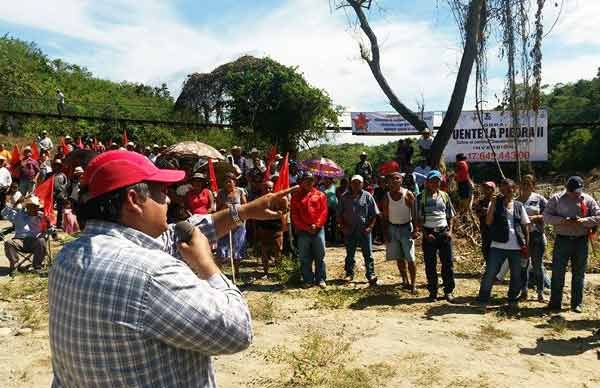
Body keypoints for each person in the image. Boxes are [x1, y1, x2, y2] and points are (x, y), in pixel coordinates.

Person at [48, 149, 294, 387]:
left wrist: (246, 211)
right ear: (134, 200)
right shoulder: (153, 273)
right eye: (161, 191)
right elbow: (237, 331)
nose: (167, 198)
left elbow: (184, 231)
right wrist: (207, 265)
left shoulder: (67, 257)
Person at [544, 176, 600, 313]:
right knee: (557, 273)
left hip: (581, 241)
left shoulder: (588, 199)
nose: (576, 194)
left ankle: (576, 304)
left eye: (578, 191)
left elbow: (598, 216)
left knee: (579, 273)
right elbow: (546, 216)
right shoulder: (556, 199)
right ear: (567, 189)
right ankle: (555, 303)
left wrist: (584, 221)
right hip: (562, 240)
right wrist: (563, 221)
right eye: (574, 191)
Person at [477, 179, 530, 308]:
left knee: (516, 275)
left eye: (510, 188)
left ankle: (512, 298)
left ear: (514, 189)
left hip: (516, 246)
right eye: (504, 189)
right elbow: (488, 222)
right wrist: (494, 204)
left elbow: (525, 226)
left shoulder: (518, 205)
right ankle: (483, 298)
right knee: (490, 272)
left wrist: (527, 245)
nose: (507, 191)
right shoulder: (494, 203)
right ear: (500, 190)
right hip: (497, 245)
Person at [417, 170, 457, 302]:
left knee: (448, 263)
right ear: (427, 182)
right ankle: (433, 292)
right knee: (430, 264)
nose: (435, 183)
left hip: (444, 233)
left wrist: (450, 232)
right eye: (432, 181)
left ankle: (448, 291)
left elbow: (450, 216)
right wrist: (426, 234)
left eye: (437, 181)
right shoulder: (420, 197)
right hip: (429, 234)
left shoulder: (445, 196)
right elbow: (418, 219)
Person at [337, 175, 379, 285]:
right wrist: (342, 227)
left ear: (362, 184)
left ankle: (370, 274)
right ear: (350, 184)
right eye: (354, 183)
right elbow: (339, 214)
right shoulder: (344, 197)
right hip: (349, 230)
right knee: (350, 253)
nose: (356, 185)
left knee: (368, 254)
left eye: (359, 183)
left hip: (364, 230)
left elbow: (374, 214)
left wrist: (370, 227)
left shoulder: (368, 196)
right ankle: (349, 273)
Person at [291, 171, 328, 288]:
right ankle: (308, 279)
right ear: (301, 182)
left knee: (320, 255)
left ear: (314, 181)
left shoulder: (320, 195)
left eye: (311, 180)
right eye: (306, 180)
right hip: (303, 231)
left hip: (318, 230)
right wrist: (306, 227)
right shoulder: (296, 197)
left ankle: (321, 278)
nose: (309, 182)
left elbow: (324, 212)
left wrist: (317, 225)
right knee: (304, 256)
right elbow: (294, 216)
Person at [381, 172, 417, 293]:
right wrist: (385, 234)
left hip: (407, 228)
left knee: (410, 258)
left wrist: (416, 230)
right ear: (388, 182)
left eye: (397, 179)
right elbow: (385, 217)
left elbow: (415, 213)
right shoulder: (387, 197)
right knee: (399, 257)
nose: (395, 181)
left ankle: (413, 284)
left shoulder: (408, 194)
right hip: (393, 228)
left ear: (401, 181)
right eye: (392, 179)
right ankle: (404, 280)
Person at [517, 175, 549, 302]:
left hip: (536, 235)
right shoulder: (516, 201)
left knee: (537, 265)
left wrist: (536, 218)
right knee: (523, 265)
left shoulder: (539, 199)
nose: (525, 186)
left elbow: (549, 214)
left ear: (533, 186)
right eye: (523, 183)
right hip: (522, 237)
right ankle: (523, 292)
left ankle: (540, 293)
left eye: (528, 184)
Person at [1, 195, 47, 273]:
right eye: (31, 206)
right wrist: (16, 203)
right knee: (8, 242)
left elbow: (49, 228)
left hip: (34, 241)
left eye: (35, 207)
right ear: (27, 207)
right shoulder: (19, 214)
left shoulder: (41, 216)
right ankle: (14, 267)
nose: (33, 209)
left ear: (37, 207)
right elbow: (4, 213)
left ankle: (36, 266)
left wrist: (46, 231)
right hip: (19, 241)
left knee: (42, 241)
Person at [216, 173, 248, 279]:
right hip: (225, 221)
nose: (229, 183)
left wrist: (237, 208)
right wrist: (225, 206)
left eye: (231, 181)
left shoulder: (240, 191)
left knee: (237, 247)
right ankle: (219, 273)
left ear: (235, 181)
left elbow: (245, 206)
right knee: (222, 247)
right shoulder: (220, 193)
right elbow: (217, 210)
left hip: (238, 221)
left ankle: (237, 272)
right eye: (227, 181)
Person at [255, 181, 285, 277]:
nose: (268, 190)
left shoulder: (279, 199)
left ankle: (279, 272)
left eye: (270, 188)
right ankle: (265, 273)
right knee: (264, 252)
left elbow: (283, 213)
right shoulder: (258, 200)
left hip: (276, 229)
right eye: (266, 188)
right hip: (263, 229)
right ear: (262, 189)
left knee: (278, 252)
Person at [473, 181, 496, 264]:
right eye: (485, 188)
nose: (486, 190)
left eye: (488, 188)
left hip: (496, 230)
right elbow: (478, 213)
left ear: (493, 189)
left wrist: (486, 211)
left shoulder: (498, 201)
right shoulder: (480, 202)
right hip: (485, 230)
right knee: (485, 249)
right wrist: (488, 211)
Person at [320, 177, 338, 243]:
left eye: (328, 180)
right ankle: (326, 239)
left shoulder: (334, 187)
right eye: (325, 180)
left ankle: (334, 239)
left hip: (334, 207)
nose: (327, 181)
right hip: (325, 207)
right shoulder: (321, 187)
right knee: (325, 223)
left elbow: (337, 195)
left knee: (334, 223)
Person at [52, 160, 69, 229]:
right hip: (52, 194)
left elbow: (66, 185)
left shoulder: (63, 175)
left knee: (60, 210)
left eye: (58, 165)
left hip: (60, 194)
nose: (57, 167)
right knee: (50, 209)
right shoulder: (51, 174)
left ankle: (59, 224)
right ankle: (50, 222)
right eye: (55, 165)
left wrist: (64, 193)